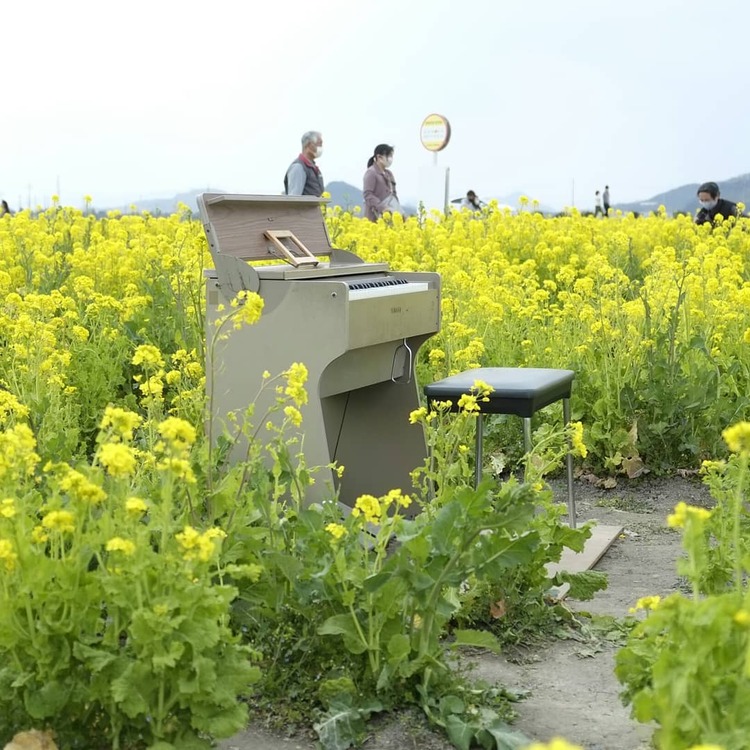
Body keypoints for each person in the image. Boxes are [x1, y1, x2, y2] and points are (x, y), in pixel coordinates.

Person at [362, 144, 401, 222]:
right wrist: (383, 208)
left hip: (391, 217)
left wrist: (399, 213)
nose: (390, 159)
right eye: (389, 156)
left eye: (391, 156)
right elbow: (367, 194)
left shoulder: (389, 174)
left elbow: (394, 196)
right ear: (379, 157)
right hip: (375, 218)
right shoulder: (371, 172)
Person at [283, 131, 325, 196]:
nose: (321, 148)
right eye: (319, 144)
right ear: (308, 145)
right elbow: (294, 199)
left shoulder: (313, 168)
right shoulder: (298, 167)